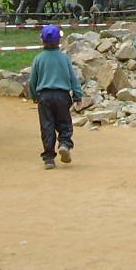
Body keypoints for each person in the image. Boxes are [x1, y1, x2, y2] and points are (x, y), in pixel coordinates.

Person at [28, 23, 82, 170]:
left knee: (47, 126)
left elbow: (32, 80)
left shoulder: (38, 59)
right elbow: (72, 78)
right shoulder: (64, 58)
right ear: (59, 41)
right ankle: (64, 143)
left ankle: (49, 158)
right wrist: (78, 95)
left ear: (42, 40)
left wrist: (34, 95)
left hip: (44, 97)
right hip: (62, 95)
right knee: (64, 123)